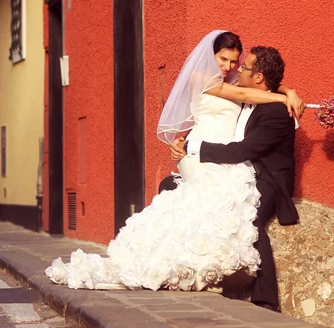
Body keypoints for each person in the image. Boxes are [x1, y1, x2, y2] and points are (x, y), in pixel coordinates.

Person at [45, 30, 304, 296]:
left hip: (216, 152)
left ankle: (196, 267)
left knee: (204, 208)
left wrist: (287, 88)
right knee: (221, 204)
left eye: (234, 62)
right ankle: (178, 265)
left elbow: (259, 85)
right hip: (203, 152)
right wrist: (284, 97)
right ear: (209, 55)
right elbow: (250, 96)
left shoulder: (236, 80)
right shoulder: (202, 78)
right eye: (223, 59)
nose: (228, 67)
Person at [169, 45, 298, 311]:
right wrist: (183, 140)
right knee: (171, 189)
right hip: (237, 170)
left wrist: (193, 147)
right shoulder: (247, 95)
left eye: (245, 66)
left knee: (247, 217)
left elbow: (242, 151)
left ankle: (266, 300)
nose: (238, 69)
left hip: (267, 180)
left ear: (259, 77)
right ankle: (181, 265)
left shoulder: (277, 113)